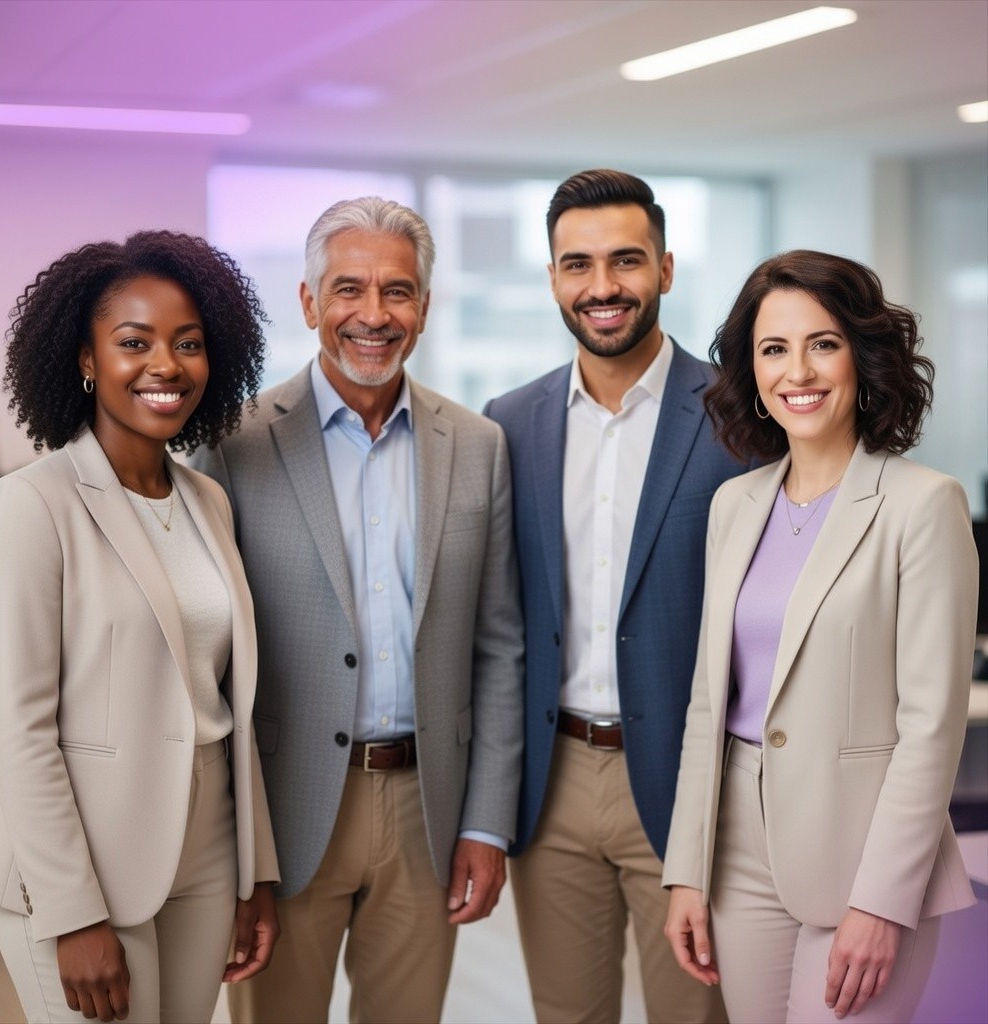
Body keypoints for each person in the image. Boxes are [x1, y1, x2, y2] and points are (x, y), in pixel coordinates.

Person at [193, 196, 524, 1023]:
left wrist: (485, 823)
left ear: (424, 305)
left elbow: (499, 647)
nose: (373, 315)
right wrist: (233, 851)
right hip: (287, 807)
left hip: (427, 808)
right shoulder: (234, 443)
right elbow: (211, 660)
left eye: (398, 291)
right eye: (348, 289)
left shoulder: (477, 446)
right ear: (309, 303)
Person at [0, 231, 281, 1023]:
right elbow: (19, 731)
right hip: (83, 865)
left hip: (207, 853)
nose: (165, 366)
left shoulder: (206, 502)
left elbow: (227, 706)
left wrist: (255, 872)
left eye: (188, 344)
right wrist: (71, 912)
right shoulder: (31, 503)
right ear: (85, 358)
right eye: (133, 343)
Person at [662, 250, 978, 1023]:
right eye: (774, 349)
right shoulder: (734, 506)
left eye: (822, 343)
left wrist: (885, 900)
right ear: (752, 373)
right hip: (738, 854)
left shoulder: (923, 505)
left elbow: (930, 726)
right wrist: (686, 870)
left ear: (863, 359)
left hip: (863, 856)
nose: (797, 370)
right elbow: (711, 704)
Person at [483, 168, 738, 1023]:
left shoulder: (743, 416)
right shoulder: (508, 424)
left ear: (665, 268)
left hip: (692, 789)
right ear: (553, 278)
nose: (602, 287)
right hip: (551, 787)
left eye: (625, 261)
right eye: (577, 264)